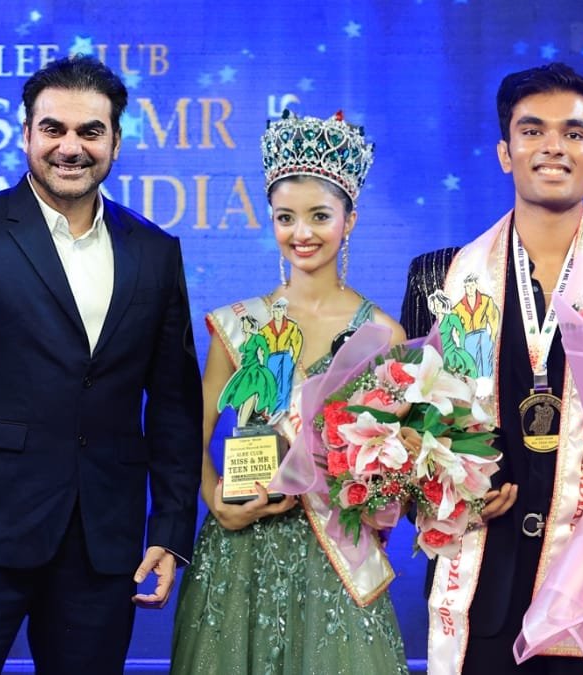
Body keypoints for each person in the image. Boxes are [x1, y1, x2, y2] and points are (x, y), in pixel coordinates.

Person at [0, 56, 202, 674]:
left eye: (90, 132)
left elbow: (174, 403)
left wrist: (169, 529)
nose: (71, 147)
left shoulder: (155, 251)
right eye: (54, 129)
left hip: (103, 547)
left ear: (115, 141)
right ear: (27, 134)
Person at [401, 63, 583, 674]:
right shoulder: (439, 278)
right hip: (479, 580)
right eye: (532, 131)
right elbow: (406, 420)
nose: (553, 147)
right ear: (505, 153)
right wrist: (444, 486)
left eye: (573, 133)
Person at [170, 109, 408, 674]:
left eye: (319, 216)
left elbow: (396, 458)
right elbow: (190, 433)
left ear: (349, 220)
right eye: (286, 217)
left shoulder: (384, 335)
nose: (302, 233)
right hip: (240, 551)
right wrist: (214, 498)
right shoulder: (239, 324)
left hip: (335, 555)